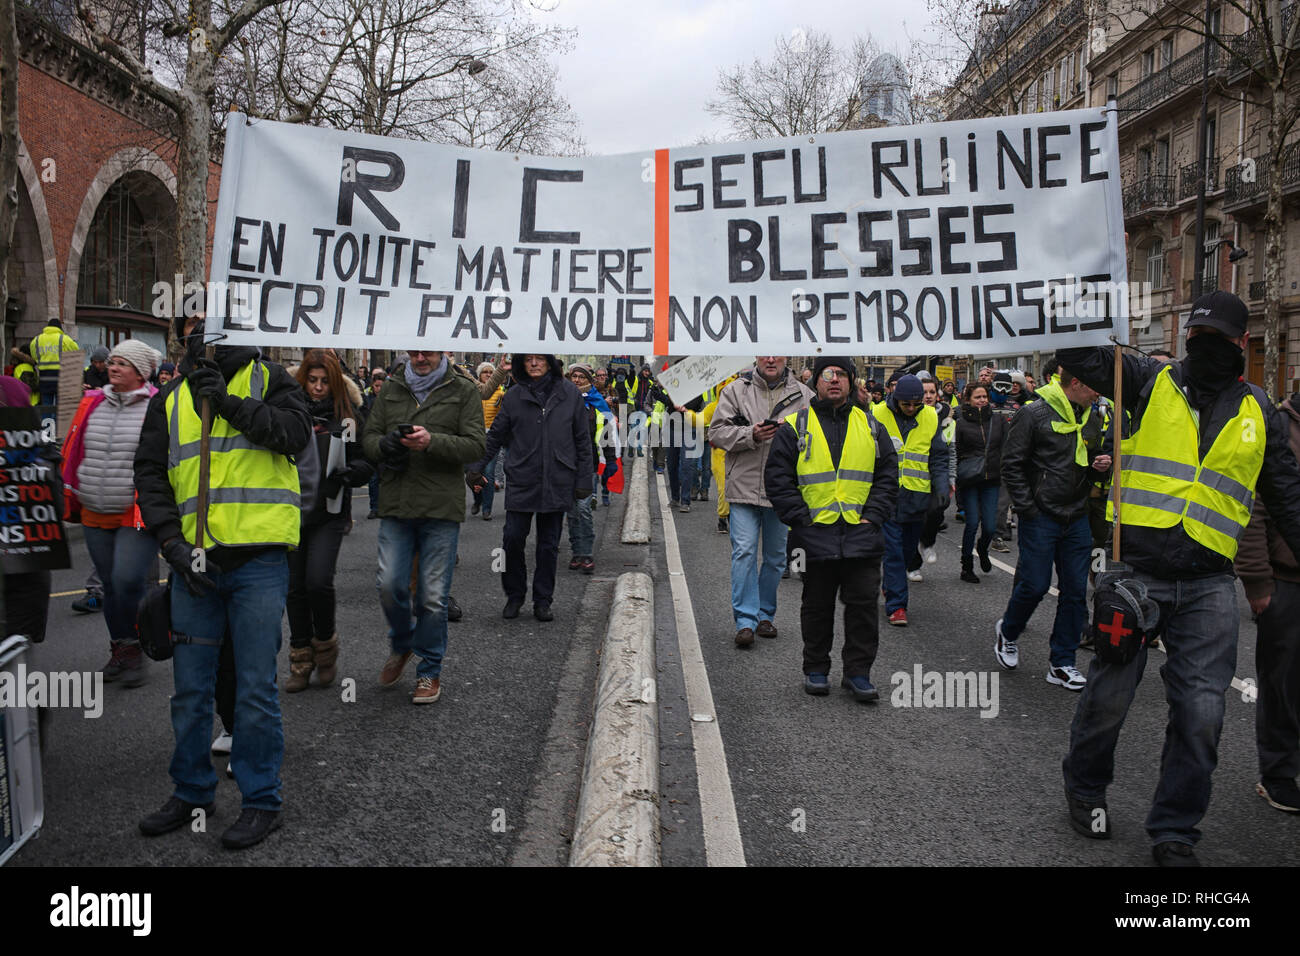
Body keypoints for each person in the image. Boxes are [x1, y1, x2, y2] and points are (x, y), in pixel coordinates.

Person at [1059, 292, 1300, 865]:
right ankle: (1086, 787)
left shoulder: (1259, 412)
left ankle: (1174, 830)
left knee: (1202, 713)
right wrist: (1078, 288)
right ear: (1184, 338)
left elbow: (1286, 497)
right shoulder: (1143, 378)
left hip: (1211, 585)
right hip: (1134, 574)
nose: (1205, 346)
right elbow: (1075, 349)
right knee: (1110, 697)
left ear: (1242, 344)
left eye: (1219, 338)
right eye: (1197, 337)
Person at [134, 314, 310, 849]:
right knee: (190, 690)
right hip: (195, 564)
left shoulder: (272, 380)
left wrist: (229, 405)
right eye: (192, 334)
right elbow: (150, 474)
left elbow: (294, 436)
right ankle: (191, 790)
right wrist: (172, 544)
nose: (201, 342)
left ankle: (261, 800)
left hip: (257, 560)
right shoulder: (168, 399)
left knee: (255, 690)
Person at [765, 357, 898, 700]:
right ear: (816, 383)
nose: (834, 380)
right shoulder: (794, 426)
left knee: (863, 609)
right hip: (811, 537)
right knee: (815, 605)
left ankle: (858, 673)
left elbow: (887, 476)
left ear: (852, 382)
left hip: (862, 536)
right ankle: (816, 669)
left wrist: (873, 516)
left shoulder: (871, 427)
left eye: (841, 374)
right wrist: (800, 519)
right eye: (827, 374)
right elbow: (778, 479)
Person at [364, 348, 484, 702]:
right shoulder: (392, 387)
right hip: (396, 503)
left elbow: (477, 444)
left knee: (433, 597)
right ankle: (403, 644)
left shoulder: (463, 390)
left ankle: (429, 671)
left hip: (440, 508)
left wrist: (432, 442)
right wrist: (385, 444)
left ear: (442, 352)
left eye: (427, 353)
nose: (420, 358)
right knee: (388, 584)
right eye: (414, 352)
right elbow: (368, 440)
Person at [993, 368, 1105, 691]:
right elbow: (1011, 464)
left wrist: (1099, 463)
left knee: (1074, 591)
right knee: (1035, 584)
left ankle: (1062, 662)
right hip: (1041, 516)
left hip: (1077, 516)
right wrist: (1028, 508)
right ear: (1077, 382)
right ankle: (1009, 632)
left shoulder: (1091, 416)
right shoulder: (1034, 412)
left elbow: (1084, 457)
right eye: (1093, 387)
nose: (1098, 394)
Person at [61, 340, 160, 686]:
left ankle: (141, 645)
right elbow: (73, 446)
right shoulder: (92, 402)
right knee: (109, 586)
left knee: (127, 579)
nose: (113, 367)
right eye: (112, 362)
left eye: (123, 364)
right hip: (94, 508)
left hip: (135, 512)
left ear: (140, 373)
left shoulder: (156, 407)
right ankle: (123, 649)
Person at [468, 354, 591, 622]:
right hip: (523, 478)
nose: (534, 364)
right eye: (529, 359)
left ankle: (542, 600)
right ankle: (514, 595)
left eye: (540, 359)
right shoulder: (514, 396)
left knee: (548, 546)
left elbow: (582, 440)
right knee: (512, 540)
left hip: (558, 479)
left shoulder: (569, 393)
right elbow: (496, 435)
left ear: (549, 361)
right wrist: (477, 467)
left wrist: (584, 481)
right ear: (522, 363)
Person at [284, 350, 374, 692]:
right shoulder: (288, 411)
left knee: (318, 581)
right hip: (290, 510)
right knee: (294, 588)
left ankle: (325, 647)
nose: (318, 387)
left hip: (330, 510)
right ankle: (300, 659)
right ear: (303, 380)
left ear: (334, 383)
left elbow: (366, 459)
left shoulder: (347, 416)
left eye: (324, 381)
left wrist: (350, 473)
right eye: (312, 380)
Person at [708, 356, 813, 647]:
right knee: (744, 551)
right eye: (765, 352)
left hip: (782, 491)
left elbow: (816, 441)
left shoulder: (805, 396)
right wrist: (749, 434)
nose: (770, 358)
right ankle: (745, 621)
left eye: (776, 353)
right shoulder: (735, 390)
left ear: (785, 358)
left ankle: (765, 615)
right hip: (742, 486)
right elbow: (715, 433)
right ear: (756, 356)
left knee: (776, 559)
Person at [1235, 391, 1300, 814]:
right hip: (1286, 580)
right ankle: (1278, 773)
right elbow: (1252, 508)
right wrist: (1258, 582)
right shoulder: (1278, 427)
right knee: (1284, 682)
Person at [874, 374, 948, 627]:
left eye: (916, 404)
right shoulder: (877, 414)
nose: (911, 408)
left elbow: (938, 455)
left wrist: (941, 488)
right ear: (895, 399)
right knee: (893, 552)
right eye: (906, 404)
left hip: (917, 496)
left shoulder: (929, 416)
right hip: (887, 495)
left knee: (907, 552)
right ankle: (897, 606)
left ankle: (890, 584)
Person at [564, 362, 614, 574]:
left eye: (581, 377)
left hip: (589, 463)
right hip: (565, 464)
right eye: (573, 376)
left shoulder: (598, 402)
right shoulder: (562, 400)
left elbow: (608, 433)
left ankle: (587, 554)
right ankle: (576, 551)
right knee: (572, 512)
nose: (576, 380)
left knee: (584, 509)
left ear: (589, 380)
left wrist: (611, 460)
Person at [953, 383, 1006, 583]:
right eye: (978, 397)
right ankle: (966, 566)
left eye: (984, 396)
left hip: (992, 479)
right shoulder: (961, 423)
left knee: (991, 527)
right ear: (968, 400)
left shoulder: (998, 420)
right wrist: (957, 483)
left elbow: (1006, 448)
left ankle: (982, 549)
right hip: (970, 480)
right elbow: (956, 454)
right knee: (973, 522)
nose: (982, 400)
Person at [913, 376, 957, 574]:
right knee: (914, 517)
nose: (928, 396)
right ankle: (913, 564)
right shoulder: (910, 413)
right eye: (924, 392)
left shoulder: (947, 415)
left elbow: (951, 449)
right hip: (916, 471)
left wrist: (951, 477)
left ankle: (927, 542)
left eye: (932, 392)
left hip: (938, 470)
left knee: (939, 507)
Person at [472, 361, 507, 520]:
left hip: (492, 438)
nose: (487, 374)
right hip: (474, 437)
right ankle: (477, 499)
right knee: (472, 472)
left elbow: (505, 416)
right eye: (484, 372)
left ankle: (487, 509)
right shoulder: (473, 392)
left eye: (490, 372)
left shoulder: (500, 394)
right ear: (479, 375)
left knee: (489, 473)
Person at [26, 318, 80, 405]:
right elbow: (76, 352)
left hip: (44, 378)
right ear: (59, 327)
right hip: (61, 378)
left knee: (46, 406)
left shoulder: (36, 340)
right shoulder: (64, 339)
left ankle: (47, 419)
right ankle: (56, 419)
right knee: (59, 409)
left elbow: (34, 355)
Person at [364, 369, 387, 518]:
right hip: (372, 443)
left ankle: (384, 506)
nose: (379, 389)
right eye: (376, 386)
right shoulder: (368, 401)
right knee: (373, 479)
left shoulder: (390, 401)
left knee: (384, 477)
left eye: (381, 386)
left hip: (385, 442)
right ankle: (374, 507)